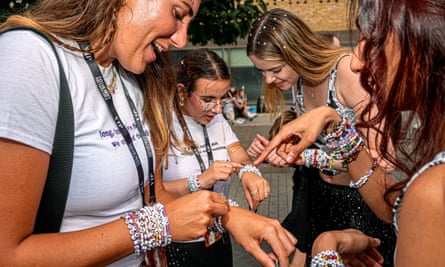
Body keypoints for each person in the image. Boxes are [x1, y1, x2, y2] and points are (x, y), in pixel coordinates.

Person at [0, 1, 296, 266]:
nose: (181, 38)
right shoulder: (29, 56)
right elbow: (8, 254)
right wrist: (156, 227)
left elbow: (155, 196)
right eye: (177, 14)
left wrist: (230, 216)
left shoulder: (132, 77)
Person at [257, 0, 445, 266]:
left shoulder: (432, 192)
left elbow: (385, 167)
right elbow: (393, 211)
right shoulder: (427, 190)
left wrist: (325, 252)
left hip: (357, 207)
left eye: (373, 42)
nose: (357, 62)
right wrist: (332, 127)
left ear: (424, 47)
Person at [246, 8, 396, 266]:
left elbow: (384, 159)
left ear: (296, 51)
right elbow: (321, 148)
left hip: (362, 205)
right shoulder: (298, 82)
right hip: (323, 199)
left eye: (275, 69)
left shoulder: (347, 72)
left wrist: (307, 157)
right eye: (261, 72)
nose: (269, 80)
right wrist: (287, 150)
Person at [162, 48, 270, 267]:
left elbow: (235, 150)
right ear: (182, 92)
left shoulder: (216, 119)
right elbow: (151, 192)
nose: (218, 109)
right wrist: (200, 181)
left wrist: (248, 171)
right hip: (180, 243)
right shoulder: (161, 124)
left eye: (223, 98)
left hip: (218, 235)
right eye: (208, 99)